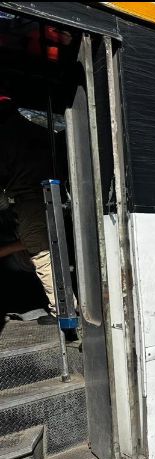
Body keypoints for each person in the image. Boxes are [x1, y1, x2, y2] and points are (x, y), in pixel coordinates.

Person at [0, 87, 63, 329]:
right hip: (52, 195)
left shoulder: (4, 135)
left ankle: (63, 311)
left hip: (29, 198)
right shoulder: (35, 131)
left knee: (41, 252)